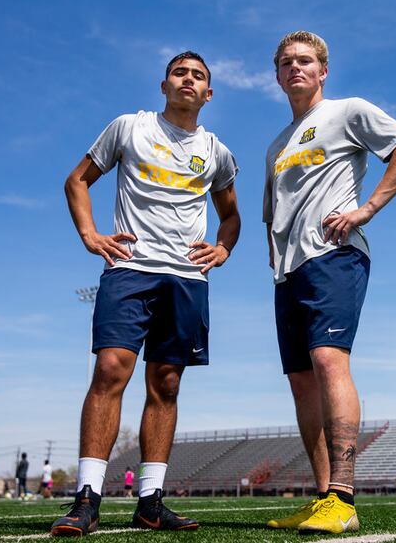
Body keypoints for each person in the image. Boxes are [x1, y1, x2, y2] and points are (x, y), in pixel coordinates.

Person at [50, 50, 240, 537]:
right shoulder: (128, 128)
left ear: (208, 93)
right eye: (180, 73)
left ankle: (150, 501)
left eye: (198, 76)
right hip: (130, 270)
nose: (189, 81)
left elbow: (231, 215)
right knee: (110, 370)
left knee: (167, 384)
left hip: (186, 278)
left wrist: (222, 249)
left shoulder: (216, 151)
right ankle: (87, 499)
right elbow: (77, 180)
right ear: (164, 85)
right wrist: (90, 236)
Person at [263, 31, 396, 535]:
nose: (296, 68)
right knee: (300, 381)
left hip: (334, 255)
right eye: (287, 62)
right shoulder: (276, 144)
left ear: (323, 70)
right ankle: (322, 499)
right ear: (277, 74)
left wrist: (367, 208)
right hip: (287, 271)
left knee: (329, 360)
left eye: (306, 60)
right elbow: (271, 211)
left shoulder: (348, 111)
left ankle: (344, 495)